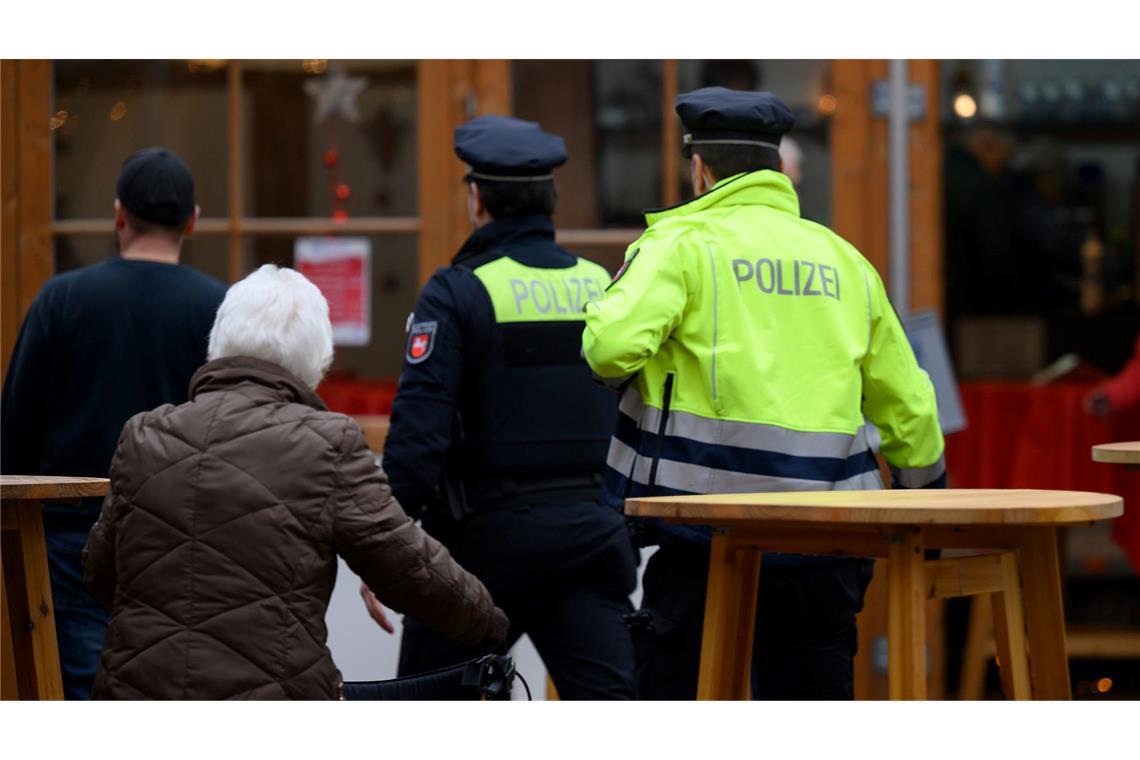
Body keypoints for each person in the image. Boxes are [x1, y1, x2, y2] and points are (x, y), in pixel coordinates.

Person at [582, 88, 946, 700]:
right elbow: (909, 404)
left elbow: (608, 349)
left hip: (705, 538)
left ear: (699, 168)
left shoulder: (679, 245)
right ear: (778, 168)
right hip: (826, 544)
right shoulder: (845, 261)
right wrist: (927, 510)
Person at [82, 265, 508, 699]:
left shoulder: (143, 435)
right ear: (318, 363)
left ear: (217, 345)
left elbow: (101, 574)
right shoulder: (327, 444)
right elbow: (410, 570)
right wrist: (490, 624)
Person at [376, 115, 637, 699]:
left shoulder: (458, 291)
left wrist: (383, 548)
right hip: (591, 539)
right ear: (551, 198)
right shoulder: (602, 286)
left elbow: (419, 438)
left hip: (483, 553)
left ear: (477, 199)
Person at [0, 147, 228, 699]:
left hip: (70, 542)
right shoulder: (220, 309)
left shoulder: (62, 299)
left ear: (119, 214)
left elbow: (14, 436)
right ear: (193, 220)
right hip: (186, 540)